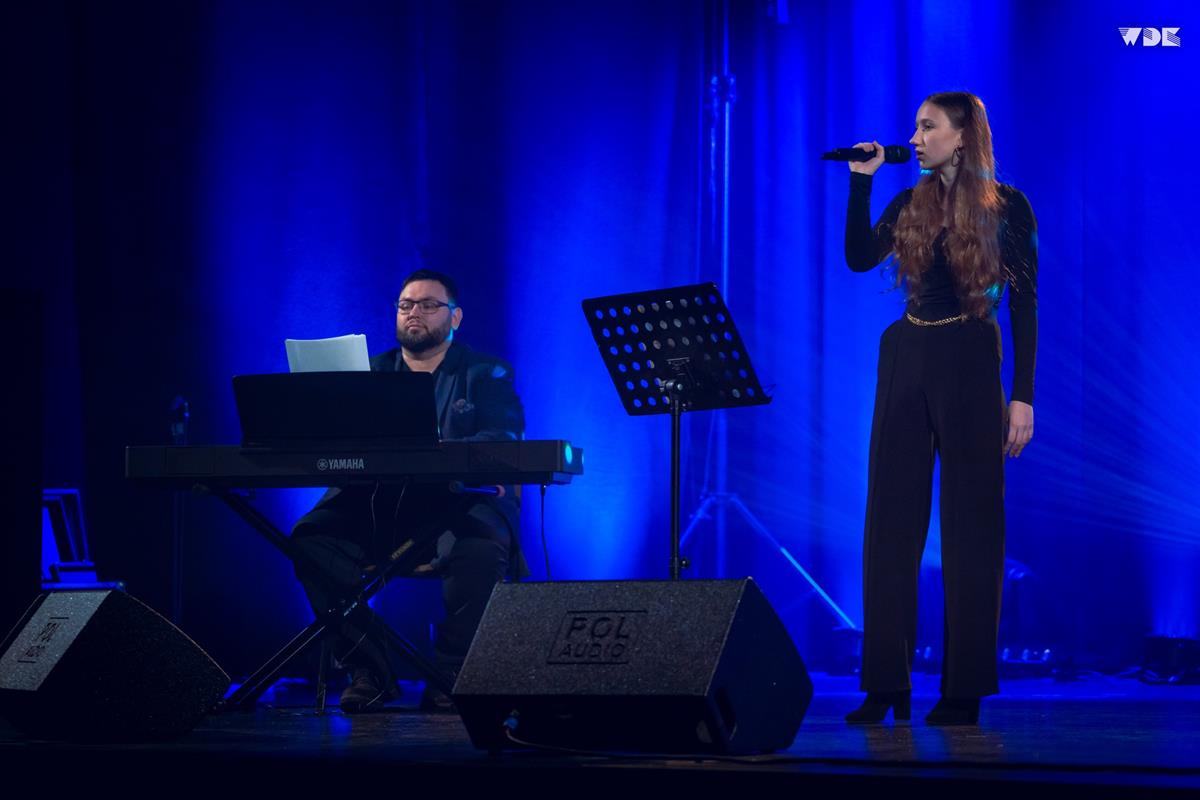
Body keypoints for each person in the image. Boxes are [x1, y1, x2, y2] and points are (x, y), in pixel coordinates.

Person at [842, 91, 1037, 726]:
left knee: (972, 523)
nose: (915, 138)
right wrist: (861, 183)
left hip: (970, 354)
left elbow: (1026, 304)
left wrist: (1022, 395)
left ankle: (964, 689)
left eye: (928, 127)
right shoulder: (909, 201)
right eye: (916, 127)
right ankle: (886, 683)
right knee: (889, 519)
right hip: (908, 352)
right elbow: (858, 257)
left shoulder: (1007, 207)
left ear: (962, 135)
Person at [290, 268, 524, 713]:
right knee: (311, 539)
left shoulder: (486, 373)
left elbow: (501, 439)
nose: (415, 312)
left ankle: (452, 674)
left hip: (456, 504)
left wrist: (435, 454)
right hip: (379, 507)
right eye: (406, 305)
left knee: (479, 546)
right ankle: (370, 671)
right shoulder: (369, 372)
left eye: (429, 304)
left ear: (455, 317)